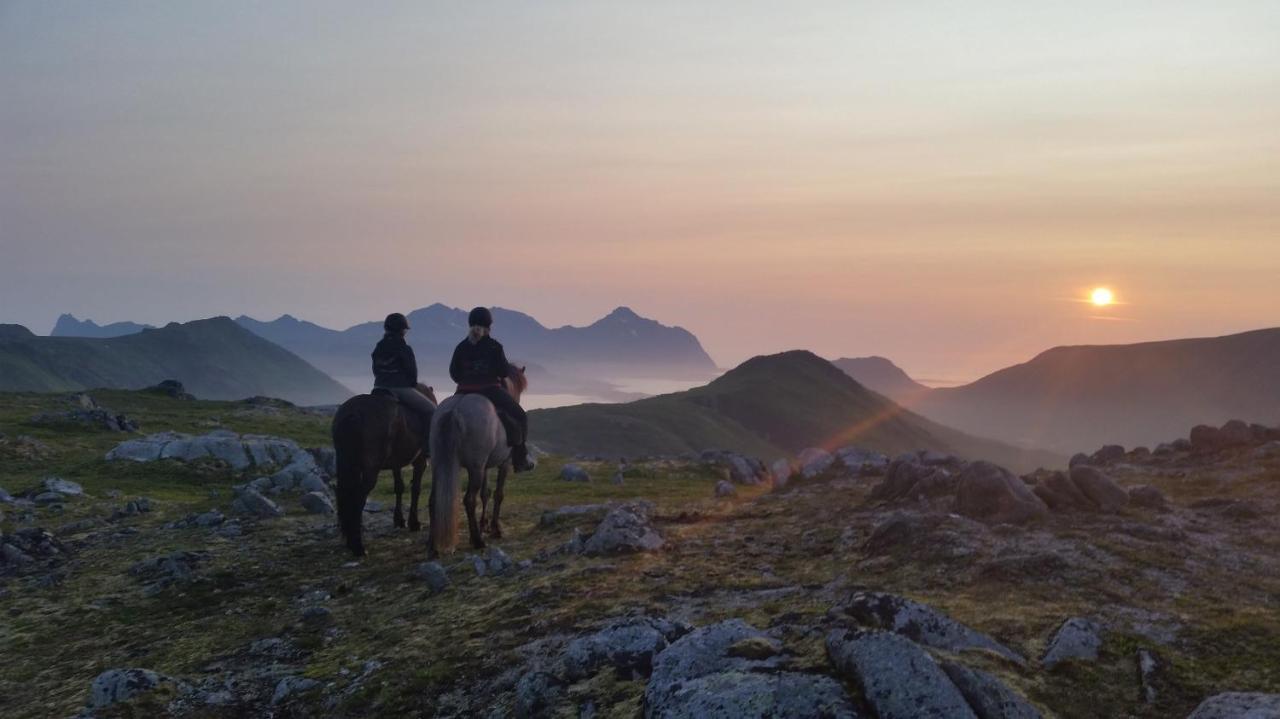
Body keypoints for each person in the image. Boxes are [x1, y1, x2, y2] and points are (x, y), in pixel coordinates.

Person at [449, 307, 534, 472]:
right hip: (489, 390)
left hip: (463, 391)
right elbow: (503, 372)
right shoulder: (495, 347)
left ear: (470, 324)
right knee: (520, 416)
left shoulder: (460, 347)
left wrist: (467, 380)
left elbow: (454, 373)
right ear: (489, 326)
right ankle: (520, 457)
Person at [372, 313, 435, 451]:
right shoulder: (404, 347)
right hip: (399, 388)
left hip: (379, 387)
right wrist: (411, 385)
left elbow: (375, 370)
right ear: (402, 330)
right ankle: (428, 447)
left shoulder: (379, 346)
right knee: (432, 410)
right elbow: (412, 373)